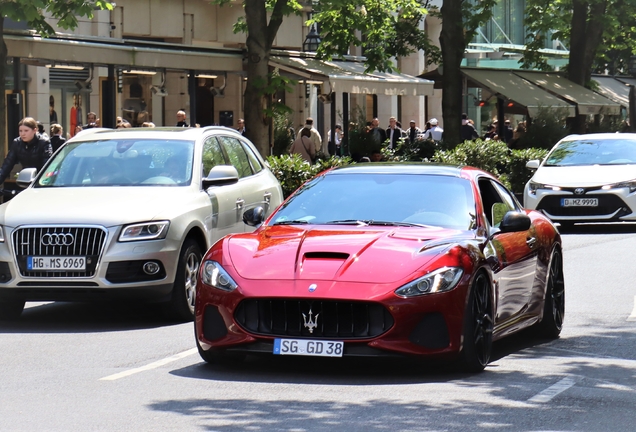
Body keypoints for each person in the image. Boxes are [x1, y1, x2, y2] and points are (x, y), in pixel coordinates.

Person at [0, 117, 52, 185]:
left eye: (26, 130)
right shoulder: (17, 143)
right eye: (20, 131)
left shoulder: (44, 142)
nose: (22, 134)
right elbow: (7, 165)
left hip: (42, 181)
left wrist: (44, 183)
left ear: (34, 130)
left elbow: (47, 165)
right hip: (26, 180)